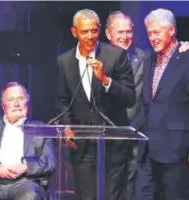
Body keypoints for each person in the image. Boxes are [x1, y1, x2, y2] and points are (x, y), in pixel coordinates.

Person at [104, 11, 189, 200]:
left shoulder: (146, 59)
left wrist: (184, 47)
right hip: (106, 141)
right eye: (120, 32)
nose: (125, 36)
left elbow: (169, 60)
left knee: (135, 190)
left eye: (129, 31)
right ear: (108, 34)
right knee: (108, 191)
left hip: (137, 139)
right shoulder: (98, 60)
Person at [54, 9, 135, 200]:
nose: (90, 36)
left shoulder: (116, 56)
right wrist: (66, 126)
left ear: (100, 30)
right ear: (74, 32)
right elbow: (62, 100)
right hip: (82, 144)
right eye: (84, 32)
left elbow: (130, 97)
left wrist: (106, 80)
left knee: (111, 196)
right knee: (87, 196)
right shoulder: (64, 62)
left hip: (112, 142)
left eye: (94, 31)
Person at [131, 8, 189, 200]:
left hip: (176, 151)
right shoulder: (149, 61)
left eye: (157, 32)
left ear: (172, 31)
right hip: (148, 149)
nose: (152, 38)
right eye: (149, 33)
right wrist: (129, 131)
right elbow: (148, 104)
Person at [0, 82, 56, 200]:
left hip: (26, 182)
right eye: (10, 99)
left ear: (27, 102)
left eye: (20, 98)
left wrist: (26, 167)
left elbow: (50, 162)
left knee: (30, 196)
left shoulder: (41, 129)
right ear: (3, 105)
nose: (16, 104)